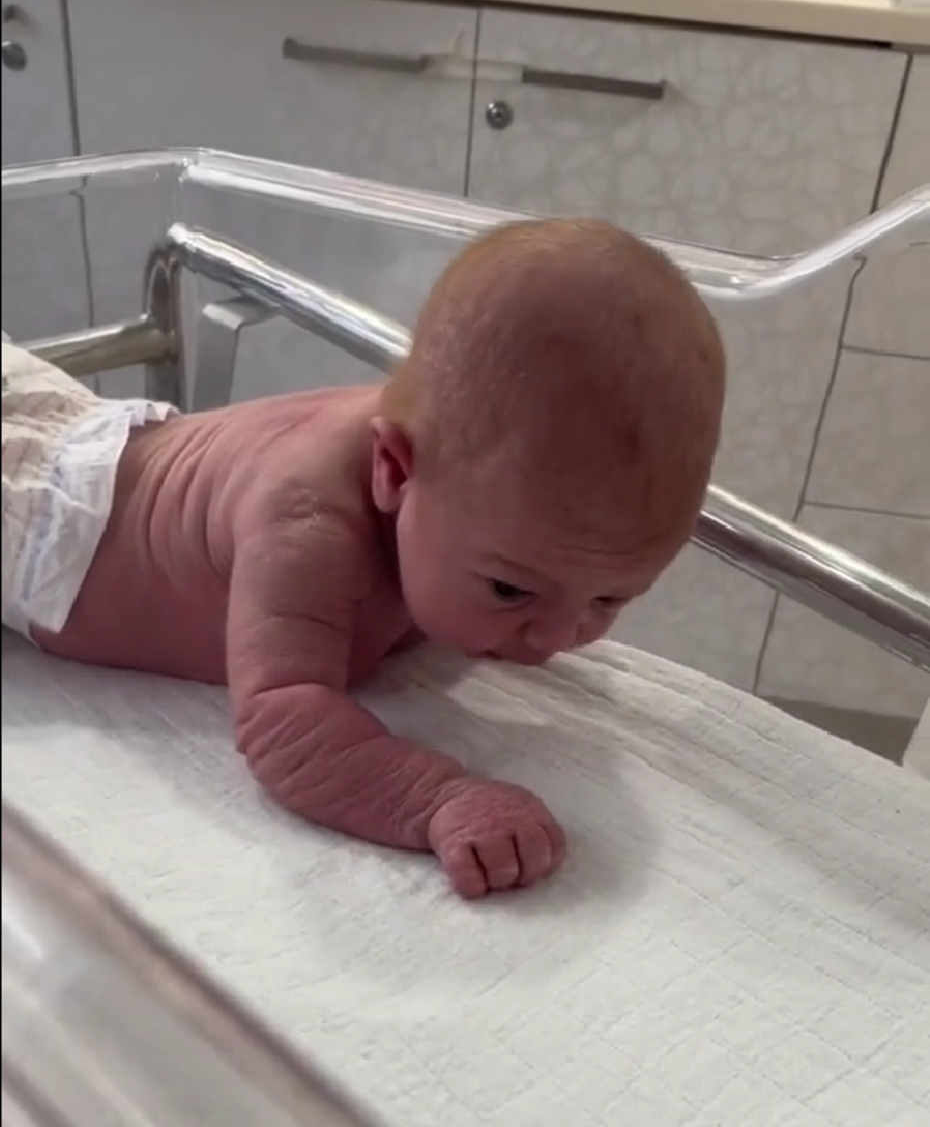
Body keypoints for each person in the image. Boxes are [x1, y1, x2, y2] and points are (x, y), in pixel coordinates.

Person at [2, 219, 726, 899]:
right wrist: (435, 797)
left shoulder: (459, 464)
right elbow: (283, 720)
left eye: (609, 600)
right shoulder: (307, 526)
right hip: (36, 517)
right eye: (511, 590)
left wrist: (513, 596)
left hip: (95, 439)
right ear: (395, 473)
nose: (553, 643)